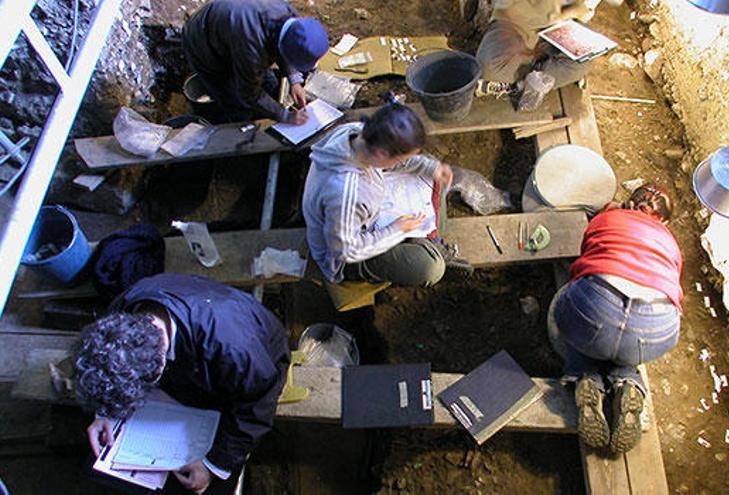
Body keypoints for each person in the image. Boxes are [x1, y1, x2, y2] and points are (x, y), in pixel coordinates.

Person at [75, 273, 290, 495]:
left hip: (252, 363)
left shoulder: (234, 351)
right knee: (102, 471)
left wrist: (213, 465)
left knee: (199, 488)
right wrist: (105, 414)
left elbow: (257, 407)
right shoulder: (123, 312)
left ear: (160, 367)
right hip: (200, 348)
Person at [547, 184, 682, 454]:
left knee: (563, 310)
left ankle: (584, 375)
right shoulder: (671, 244)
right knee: (625, 345)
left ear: (627, 203)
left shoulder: (607, 218)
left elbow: (586, 257)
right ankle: (628, 381)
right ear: (665, 222)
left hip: (596, 313)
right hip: (655, 331)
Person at [302, 99, 464, 288]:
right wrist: (396, 230)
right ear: (381, 154)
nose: (402, 162)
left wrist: (431, 167)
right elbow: (347, 251)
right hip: (345, 257)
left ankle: (428, 242)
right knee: (430, 268)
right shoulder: (346, 195)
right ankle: (430, 246)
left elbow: (404, 161)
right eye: (400, 159)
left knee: (430, 168)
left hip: (364, 212)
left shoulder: (356, 132)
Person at [183, 0, 329, 123]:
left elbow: (286, 43)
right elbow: (249, 93)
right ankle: (237, 133)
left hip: (232, 30)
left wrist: (294, 80)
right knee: (235, 102)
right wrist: (286, 116)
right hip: (203, 42)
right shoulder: (251, 46)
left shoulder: (292, 19)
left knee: (269, 84)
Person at [474, 0, 620, 111]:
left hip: (564, 25)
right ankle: (532, 79)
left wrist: (575, 12)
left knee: (583, 61)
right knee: (487, 65)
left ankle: (519, 84)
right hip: (517, 23)